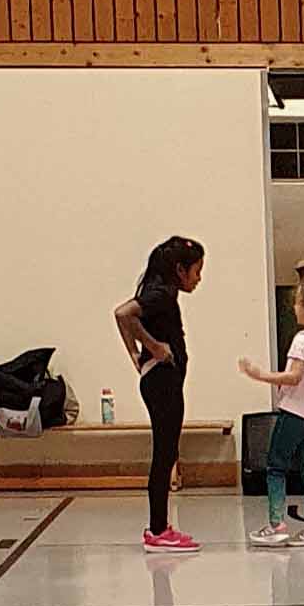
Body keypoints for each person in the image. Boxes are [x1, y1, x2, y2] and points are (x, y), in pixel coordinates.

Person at [116, 234, 205, 555]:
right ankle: (157, 530)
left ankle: (160, 527)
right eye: (196, 271)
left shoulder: (163, 293)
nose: (198, 278)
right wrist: (151, 348)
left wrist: (137, 353)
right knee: (165, 453)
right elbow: (123, 314)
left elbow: (126, 318)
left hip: (163, 380)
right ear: (180, 269)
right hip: (162, 382)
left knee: (167, 452)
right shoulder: (162, 294)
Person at [240, 279, 304, 547]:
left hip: (293, 416)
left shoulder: (303, 339)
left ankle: (276, 525)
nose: (294, 307)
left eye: (297, 302)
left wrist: (260, 375)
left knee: (276, 467)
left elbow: (294, 376)